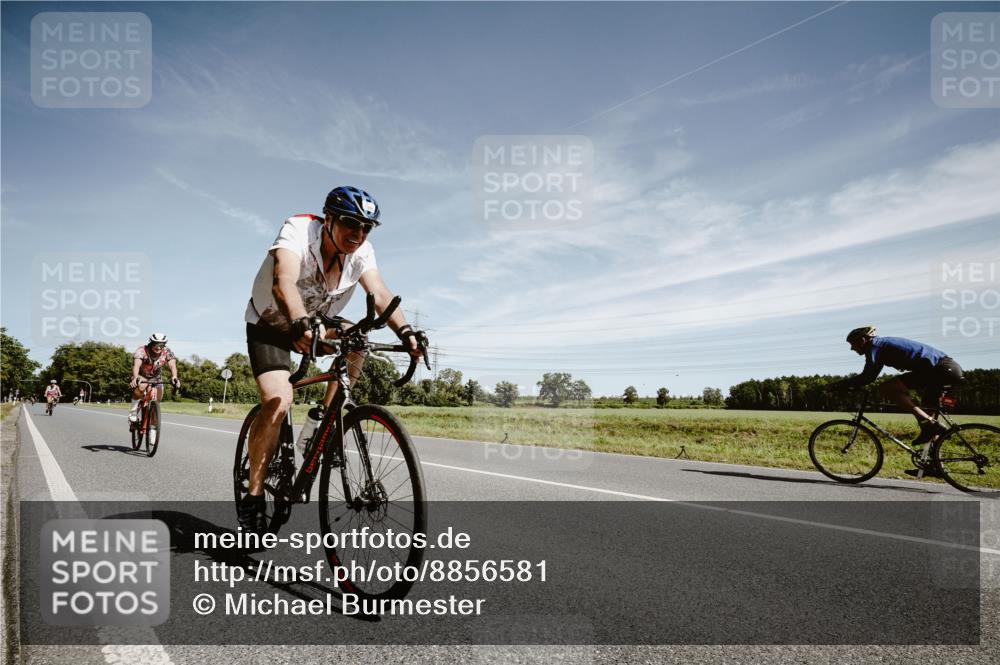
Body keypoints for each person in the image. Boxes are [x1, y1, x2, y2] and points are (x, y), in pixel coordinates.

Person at [240, 185, 425, 532]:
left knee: (359, 338)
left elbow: (380, 293)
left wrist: (406, 332)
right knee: (278, 401)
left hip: (315, 322)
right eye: (350, 223)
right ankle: (253, 495)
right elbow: (283, 281)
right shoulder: (299, 229)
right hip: (271, 322)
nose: (358, 234)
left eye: (366, 227)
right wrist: (299, 322)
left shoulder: (361, 252)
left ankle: (323, 420)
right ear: (328, 219)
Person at [830, 326, 964, 476]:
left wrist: (838, 386)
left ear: (862, 340)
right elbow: (869, 375)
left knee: (886, 388)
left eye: (852, 344)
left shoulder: (874, 346)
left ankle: (929, 423)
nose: (852, 349)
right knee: (929, 422)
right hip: (945, 369)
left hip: (940, 369)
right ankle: (936, 466)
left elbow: (868, 377)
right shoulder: (881, 345)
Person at [129, 333, 181, 422]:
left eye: (161, 345)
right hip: (141, 376)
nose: (158, 347)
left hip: (156, 377)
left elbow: (173, 366)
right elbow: (136, 366)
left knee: (158, 399)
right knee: (141, 386)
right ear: (151, 343)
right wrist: (135, 377)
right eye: (156, 344)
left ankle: (152, 420)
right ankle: (133, 412)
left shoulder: (167, 351)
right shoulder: (142, 350)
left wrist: (174, 377)